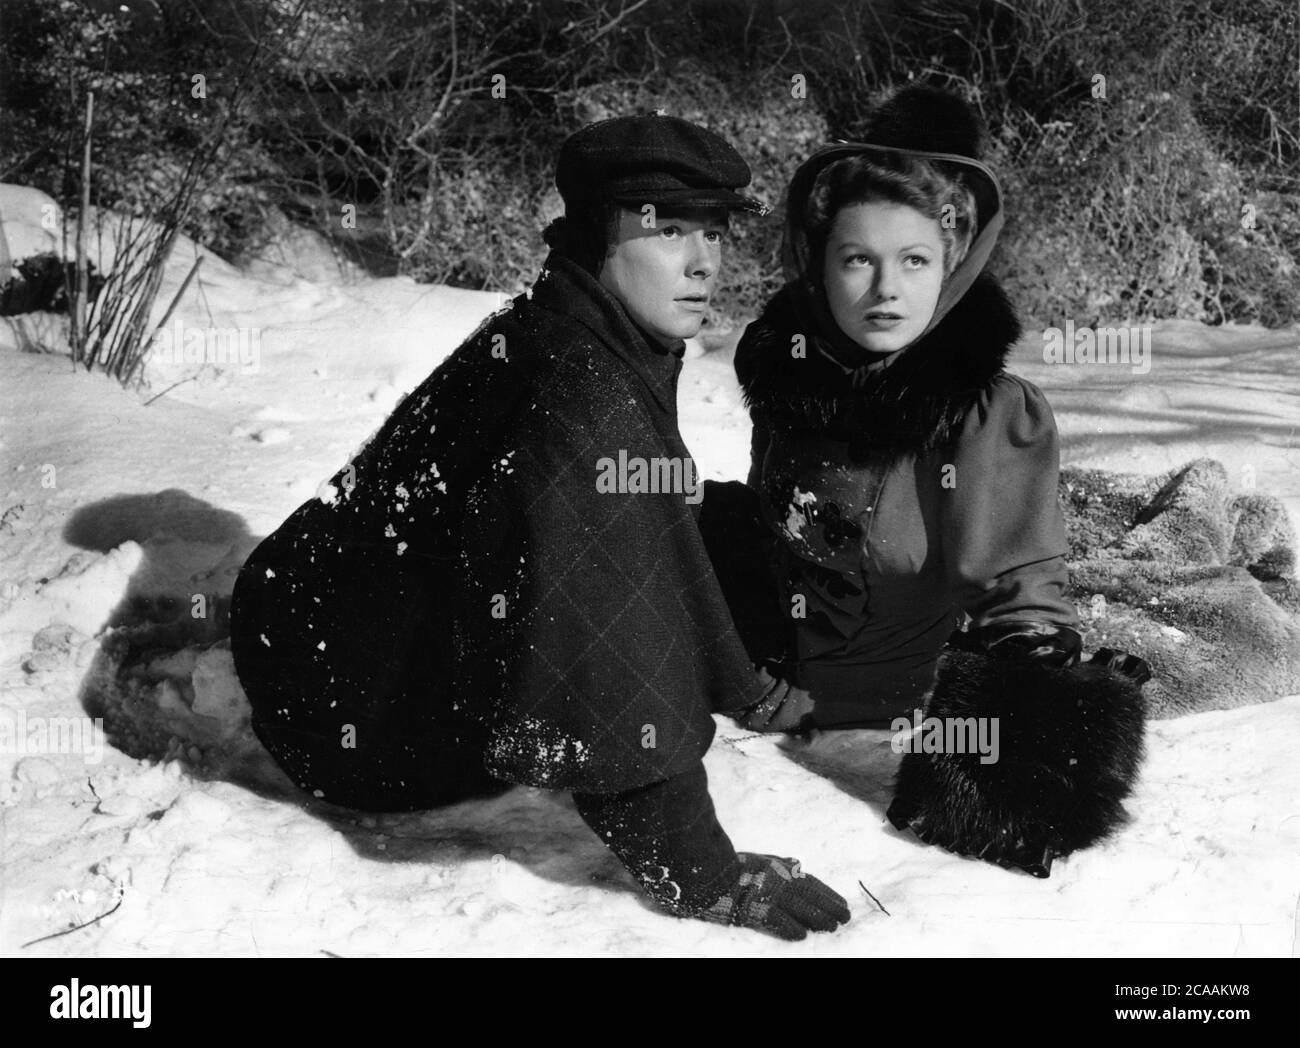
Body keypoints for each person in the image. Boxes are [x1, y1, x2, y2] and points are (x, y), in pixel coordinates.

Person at [229, 114, 851, 940]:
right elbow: (600, 649)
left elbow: (653, 507)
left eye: (714, 233)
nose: (705, 262)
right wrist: (702, 872)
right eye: (668, 233)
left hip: (299, 624)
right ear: (599, 237)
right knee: (623, 594)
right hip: (360, 723)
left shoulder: (566, 324)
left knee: (723, 536)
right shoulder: (583, 393)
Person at [715, 85, 1150, 877]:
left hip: (892, 696)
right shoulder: (793, 377)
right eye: (859, 259)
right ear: (818, 266)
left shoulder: (986, 414)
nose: (887, 289)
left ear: (950, 267)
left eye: (914, 261)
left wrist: (1016, 753)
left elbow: (1019, 599)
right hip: (777, 661)